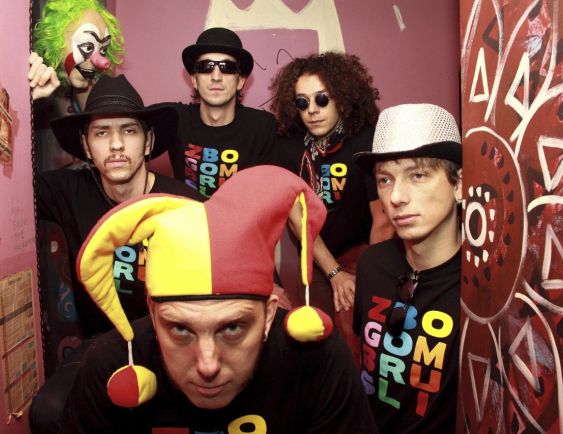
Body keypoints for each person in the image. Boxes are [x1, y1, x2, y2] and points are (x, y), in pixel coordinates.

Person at [59, 165, 377, 434]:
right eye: (180, 330)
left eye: (233, 328)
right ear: (153, 315)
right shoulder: (109, 366)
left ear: (269, 314)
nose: (208, 365)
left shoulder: (318, 360)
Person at [30, 74, 203, 434]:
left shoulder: (184, 204)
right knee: (49, 411)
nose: (116, 145)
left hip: (177, 343)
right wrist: (24, 101)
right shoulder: (69, 191)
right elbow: (6, 182)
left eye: (129, 131)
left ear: (148, 141)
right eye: (101, 133)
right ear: (85, 145)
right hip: (105, 344)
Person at [352, 103, 462, 432]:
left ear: (459, 184)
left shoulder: (477, 290)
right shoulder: (372, 264)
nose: (396, 197)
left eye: (418, 175)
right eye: (385, 179)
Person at [270, 52, 394, 318]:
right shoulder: (289, 145)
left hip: (363, 252)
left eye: (322, 99)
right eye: (302, 102)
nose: (312, 110)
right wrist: (333, 272)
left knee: (358, 325)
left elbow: (383, 221)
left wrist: (371, 277)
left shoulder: (365, 140)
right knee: (317, 328)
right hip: (317, 255)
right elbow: (298, 218)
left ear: (341, 98)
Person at [167, 27, 278, 198]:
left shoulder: (262, 127)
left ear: (240, 81)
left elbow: (272, 194)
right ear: (194, 80)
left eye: (227, 67)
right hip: (189, 215)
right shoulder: (175, 119)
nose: (216, 77)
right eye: (206, 67)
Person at [28, 0, 124, 109]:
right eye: (88, 47)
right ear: (56, 43)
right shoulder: (39, 79)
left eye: (103, 50)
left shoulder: (99, 91)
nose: (102, 61)